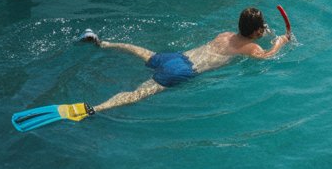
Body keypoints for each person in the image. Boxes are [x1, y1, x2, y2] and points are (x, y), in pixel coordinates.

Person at [78, 7, 291, 113]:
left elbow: (245, 34)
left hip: (178, 57)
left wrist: (262, 30)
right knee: (138, 94)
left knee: (142, 52)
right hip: (183, 72)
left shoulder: (225, 35)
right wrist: (280, 42)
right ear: (255, 32)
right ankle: (97, 108)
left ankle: (103, 43)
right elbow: (266, 57)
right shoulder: (251, 47)